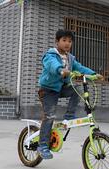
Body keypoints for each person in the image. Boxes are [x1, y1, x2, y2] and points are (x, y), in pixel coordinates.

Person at [37, 29, 101, 159]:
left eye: (70, 41)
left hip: (61, 88)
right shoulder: (50, 55)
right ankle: (42, 145)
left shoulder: (70, 58)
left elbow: (80, 68)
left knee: (76, 89)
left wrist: (93, 74)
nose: (67, 43)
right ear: (57, 42)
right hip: (48, 90)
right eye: (64, 40)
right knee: (49, 116)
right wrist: (60, 69)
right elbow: (51, 65)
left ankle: (69, 116)